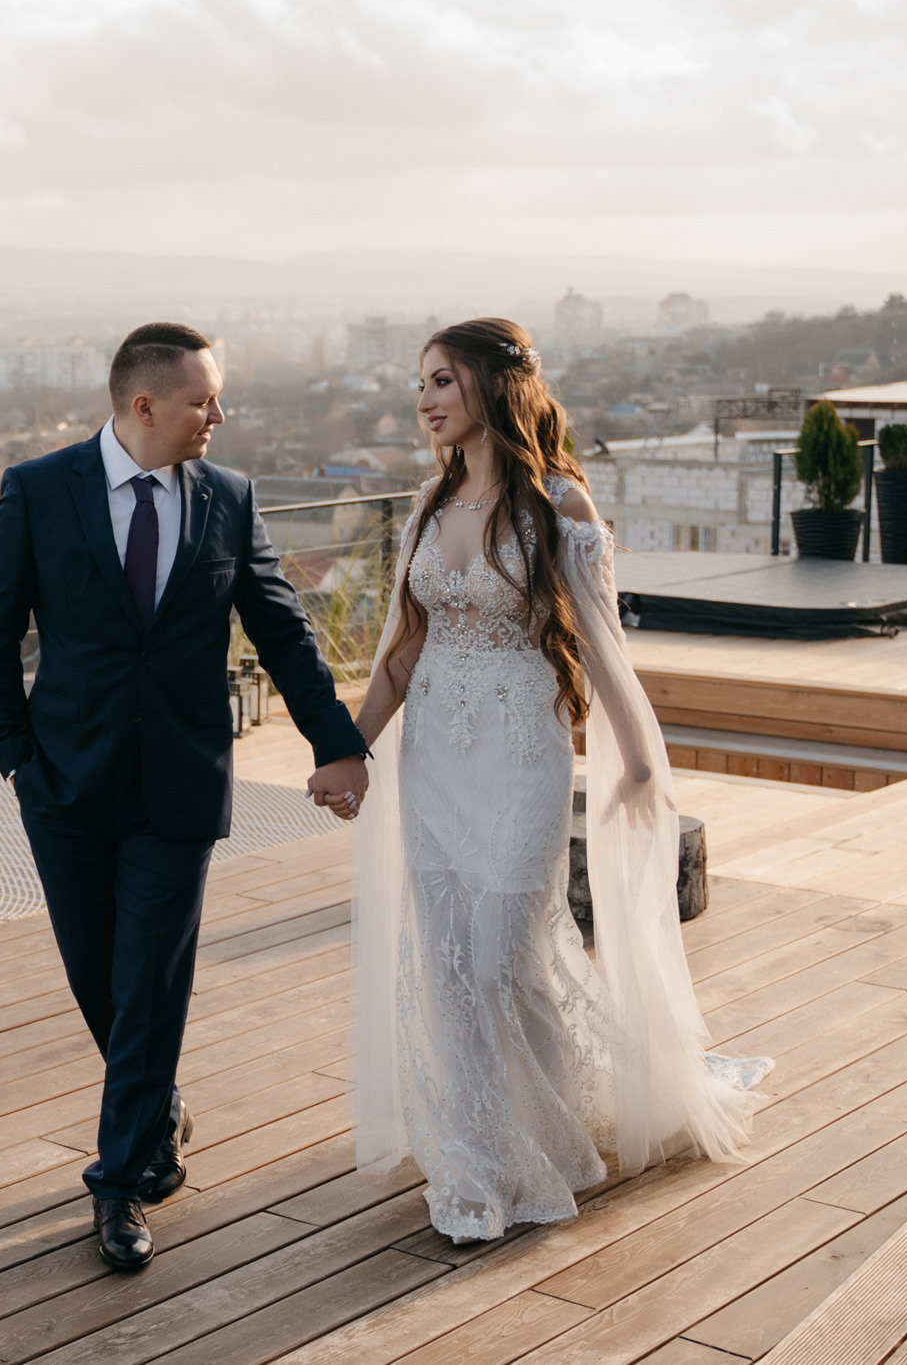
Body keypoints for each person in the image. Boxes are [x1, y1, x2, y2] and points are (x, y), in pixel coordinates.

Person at [319, 317, 766, 1242]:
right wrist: (347, 748)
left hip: (522, 758)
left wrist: (639, 758)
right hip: (435, 760)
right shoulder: (427, 507)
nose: (426, 398)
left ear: (490, 383)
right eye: (421, 382)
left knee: (500, 963)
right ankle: (482, 1156)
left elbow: (602, 642)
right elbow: (402, 654)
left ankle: (558, 1123)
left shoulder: (559, 505)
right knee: (448, 972)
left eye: (443, 379)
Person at [0, 321, 372, 1271]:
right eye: (202, 400)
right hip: (63, 782)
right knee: (98, 977)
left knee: (150, 977)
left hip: (180, 788)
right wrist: (14, 757)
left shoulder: (230, 499)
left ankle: (118, 1182)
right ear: (143, 406)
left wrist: (338, 743)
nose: (218, 415)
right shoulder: (37, 490)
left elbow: (284, 635)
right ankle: (157, 1107)